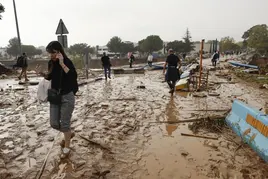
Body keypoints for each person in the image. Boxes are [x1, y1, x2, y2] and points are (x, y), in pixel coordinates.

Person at [38, 41, 78, 158]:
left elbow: (72, 76)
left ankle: (67, 146)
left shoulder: (67, 62)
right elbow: (50, 76)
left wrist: (61, 63)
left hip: (67, 96)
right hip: (55, 96)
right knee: (54, 123)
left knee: (65, 124)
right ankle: (68, 133)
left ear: (59, 51)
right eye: (49, 53)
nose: (51, 55)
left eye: (53, 53)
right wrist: (41, 73)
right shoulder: (51, 62)